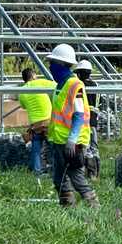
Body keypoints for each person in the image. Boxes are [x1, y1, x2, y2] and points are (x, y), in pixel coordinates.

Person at [45, 43, 97, 208]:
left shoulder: (75, 85)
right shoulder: (60, 86)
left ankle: (94, 207)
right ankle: (68, 208)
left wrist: (72, 139)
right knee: (59, 179)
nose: (50, 66)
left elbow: (79, 114)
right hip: (60, 139)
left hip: (71, 142)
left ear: (61, 64)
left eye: (52, 63)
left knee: (76, 177)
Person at [18, 67, 56, 174]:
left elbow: (23, 106)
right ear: (33, 76)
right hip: (48, 122)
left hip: (35, 125)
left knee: (36, 149)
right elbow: (56, 86)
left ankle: (37, 171)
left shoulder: (21, 91)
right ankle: (56, 169)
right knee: (53, 147)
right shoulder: (40, 83)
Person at [74, 59, 101, 178]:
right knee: (94, 147)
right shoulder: (96, 85)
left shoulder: (79, 86)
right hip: (94, 121)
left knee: (87, 148)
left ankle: (90, 173)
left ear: (80, 73)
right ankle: (96, 173)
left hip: (84, 121)